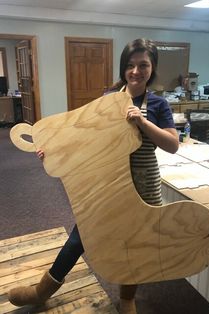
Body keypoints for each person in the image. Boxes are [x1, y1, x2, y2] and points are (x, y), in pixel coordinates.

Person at [8, 38, 179, 314]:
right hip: (107, 183)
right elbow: (83, 137)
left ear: (153, 67)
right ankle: (42, 291)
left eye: (143, 65)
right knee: (80, 237)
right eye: (131, 65)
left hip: (144, 186)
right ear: (123, 68)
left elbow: (172, 145)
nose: (136, 71)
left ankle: (127, 299)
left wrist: (142, 121)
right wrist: (52, 150)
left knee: (134, 244)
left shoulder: (159, 104)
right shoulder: (108, 99)